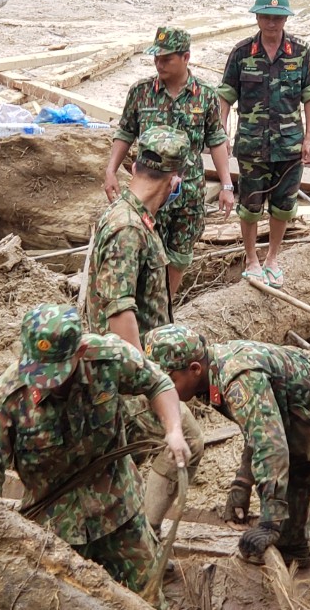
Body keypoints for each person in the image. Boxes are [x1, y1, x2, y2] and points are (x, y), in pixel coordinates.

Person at [143, 323, 310, 580]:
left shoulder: (239, 378)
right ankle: (292, 549)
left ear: (194, 369)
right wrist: (242, 483)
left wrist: (269, 523)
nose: (164, 391)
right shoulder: (217, 370)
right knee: (291, 475)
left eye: (169, 381)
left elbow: (269, 446)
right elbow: (260, 427)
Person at [0, 304, 191, 598]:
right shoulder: (4, 398)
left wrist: (174, 430)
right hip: (53, 529)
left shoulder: (108, 358)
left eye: (56, 371)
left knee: (148, 598)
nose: (48, 381)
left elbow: (158, 383)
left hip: (119, 509)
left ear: (79, 351)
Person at [86, 125, 206, 536]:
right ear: (175, 181)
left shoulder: (134, 219)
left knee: (123, 459)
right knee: (184, 439)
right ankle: (144, 535)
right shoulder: (127, 229)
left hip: (124, 368)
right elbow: (120, 316)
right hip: (122, 371)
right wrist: (147, 381)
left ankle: (125, 529)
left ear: (135, 165)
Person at [104, 26, 234, 296]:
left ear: (185, 58)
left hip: (188, 193)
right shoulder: (141, 92)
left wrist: (227, 185)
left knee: (179, 256)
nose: (159, 64)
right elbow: (125, 132)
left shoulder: (206, 96)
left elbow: (217, 140)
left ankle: (166, 308)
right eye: (156, 58)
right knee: (142, 251)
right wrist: (111, 171)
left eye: (166, 59)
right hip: (148, 193)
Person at [217, 0, 310, 288]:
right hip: (252, 144)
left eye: (277, 17)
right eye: (265, 16)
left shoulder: (300, 51)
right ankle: (251, 259)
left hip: (290, 144)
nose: (271, 23)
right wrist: (222, 131)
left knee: (284, 205)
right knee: (249, 206)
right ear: (257, 17)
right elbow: (225, 96)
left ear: (285, 18)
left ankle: (273, 258)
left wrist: (309, 137)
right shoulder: (241, 53)